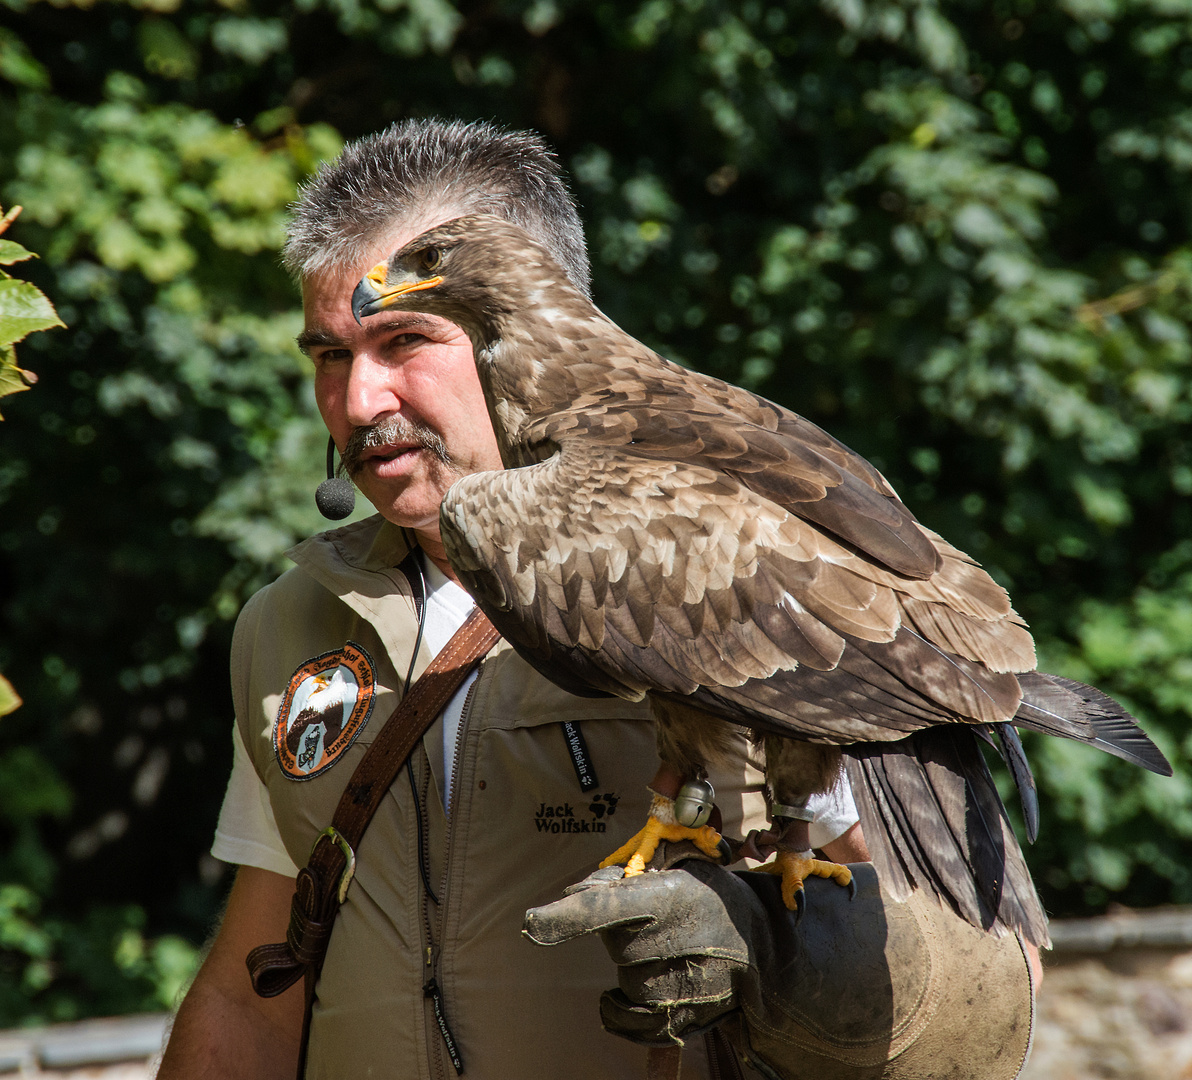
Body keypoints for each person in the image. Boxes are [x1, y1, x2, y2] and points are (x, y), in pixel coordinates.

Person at [156, 119, 1030, 1080]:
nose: (359, 400)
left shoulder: (727, 542)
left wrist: (790, 967)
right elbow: (253, 989)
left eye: (404, 339)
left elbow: (989, 980)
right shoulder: (294, 623)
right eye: (329, 355)